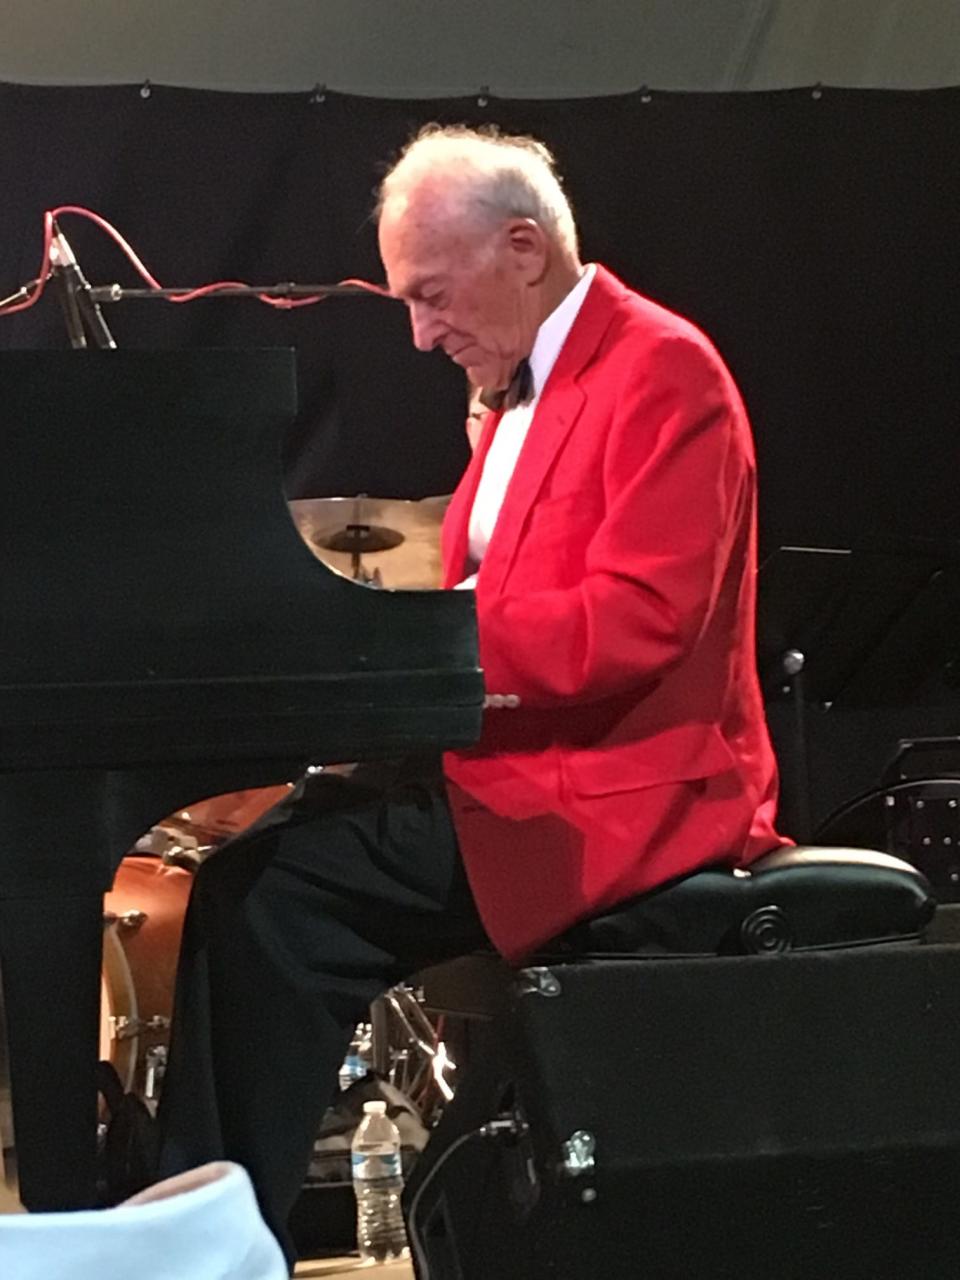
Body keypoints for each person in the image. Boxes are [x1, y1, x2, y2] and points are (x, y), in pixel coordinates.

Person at [155, 124, 785, 1262]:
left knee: (276, 904)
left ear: (524, 248)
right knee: (245, 872)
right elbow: (505, 597)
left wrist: (424, 640)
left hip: (621, 793)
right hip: (520, 758)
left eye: (433, 296)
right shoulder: (516, 386)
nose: (420, 331)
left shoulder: (663, 368)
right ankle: (192, 1229)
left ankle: (207, 1244)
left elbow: (639, 621)